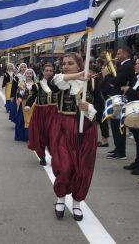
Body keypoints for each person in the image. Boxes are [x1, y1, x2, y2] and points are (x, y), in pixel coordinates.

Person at [50, 53, 103, 221]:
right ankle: (60, 198)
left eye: (70, 63)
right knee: (64, 167)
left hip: (86, 130)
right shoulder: (62, 82)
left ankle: (77, 203)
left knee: (82, 168)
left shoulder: (93, 83)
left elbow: (101, 110)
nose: (65, 66)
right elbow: (54, 81)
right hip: (64, 129)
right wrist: (78, 75)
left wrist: (89, 107)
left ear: (79, 65)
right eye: (64, 63)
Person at [104, 47, 135, 160]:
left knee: (118, 126)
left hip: (121, 98)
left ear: (126, 54)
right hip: (117, 97)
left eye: (119, 53)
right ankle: (118, 149)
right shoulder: (123, 65)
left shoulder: (127, 66)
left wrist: (107, 76)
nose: (116, 56)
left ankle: (121, 152)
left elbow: (117, 81)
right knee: (115, 125)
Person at [25, 64, 59, 165]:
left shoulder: (57, 84)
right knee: (40, 135)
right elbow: (32, 96)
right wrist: (28, 105)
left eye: (51, 70)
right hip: (40, 112)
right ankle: (42, 156)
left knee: (54, 135)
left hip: (54, 113)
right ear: (43, 72)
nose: (49, 72)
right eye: (46, 70)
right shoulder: (37, 85)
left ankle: (55, 155)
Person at [121, 55, 139, 176]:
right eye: (136, 63)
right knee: (137, 139)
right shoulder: (136, 77)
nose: (136, 65)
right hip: (135, 112)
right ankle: (138, 161)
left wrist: (129, 90)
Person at [14, 68, 35, 142]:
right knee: (22, 119)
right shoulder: (22, 83)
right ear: (25, 74)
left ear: (32, 75)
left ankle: (31, 136)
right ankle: (22, 136)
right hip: (24, 103)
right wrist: (19, 98)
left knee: (32, 120)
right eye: (27, 73)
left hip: (33, 104)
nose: (29, 75)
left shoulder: (35, 84)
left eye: (30, 73)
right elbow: (19, 93)